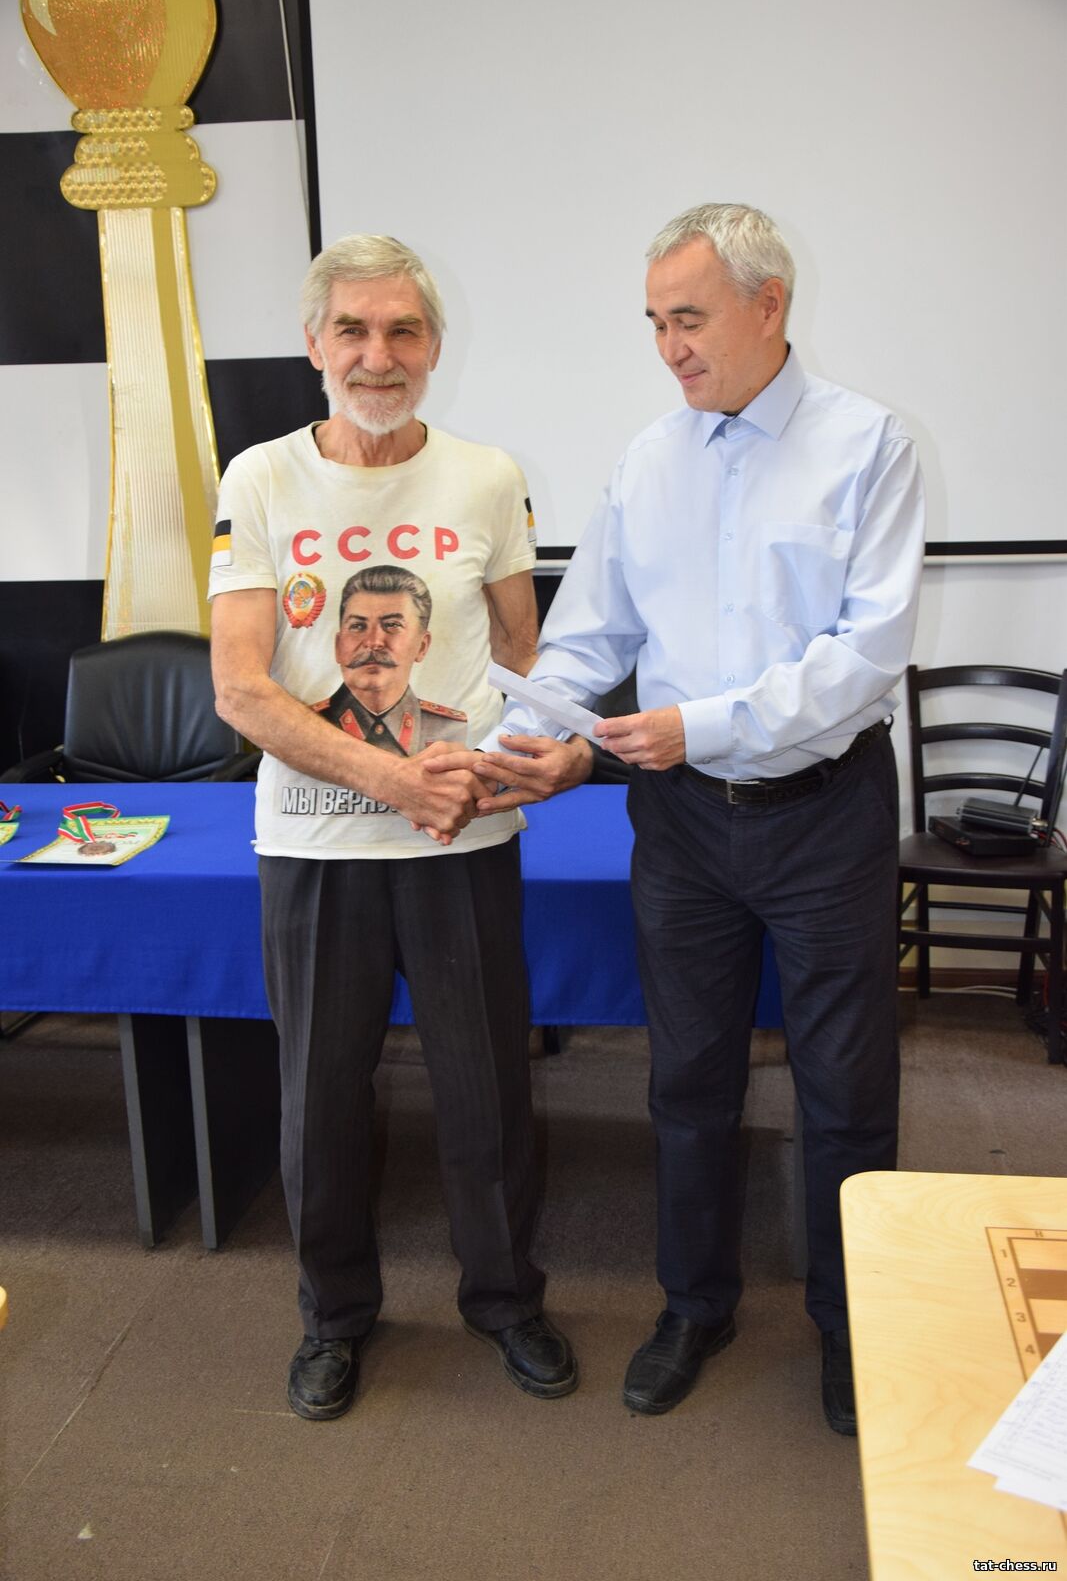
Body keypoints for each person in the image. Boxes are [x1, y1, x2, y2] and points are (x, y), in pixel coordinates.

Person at [456, 202, 925, 1433]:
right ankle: (692, 1305)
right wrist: (531, 736)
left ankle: (852, 1325)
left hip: (822, 813)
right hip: (677, 824)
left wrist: (696, 726)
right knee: (687, 1080)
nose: (668, 347)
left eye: (688, 318)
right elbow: (589, 637)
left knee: (843, 1087)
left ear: (768, 306)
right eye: (653, 322)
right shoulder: (646, 460)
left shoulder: (869, 446)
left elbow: (862, 658)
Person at [209, 233, 576, 1421]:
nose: (379, 354)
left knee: (487, 1095)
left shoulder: (486, 478)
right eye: (354, 331)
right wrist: (395, 781)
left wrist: (538, 756)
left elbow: (522, 655)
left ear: (433, 346)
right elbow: (241, 689)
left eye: (403, 330)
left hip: (462, 846)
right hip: (314, 849)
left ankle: (505, 1300)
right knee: (319, 1104)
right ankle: (333, 1317)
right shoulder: (259, 478)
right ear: (314, 344)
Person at [315, 565, 469, 754]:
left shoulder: (450, 729)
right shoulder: (307, 727)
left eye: (392, 625)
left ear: (422, 646)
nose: (373, 642)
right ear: (338, 646)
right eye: (357, 626)